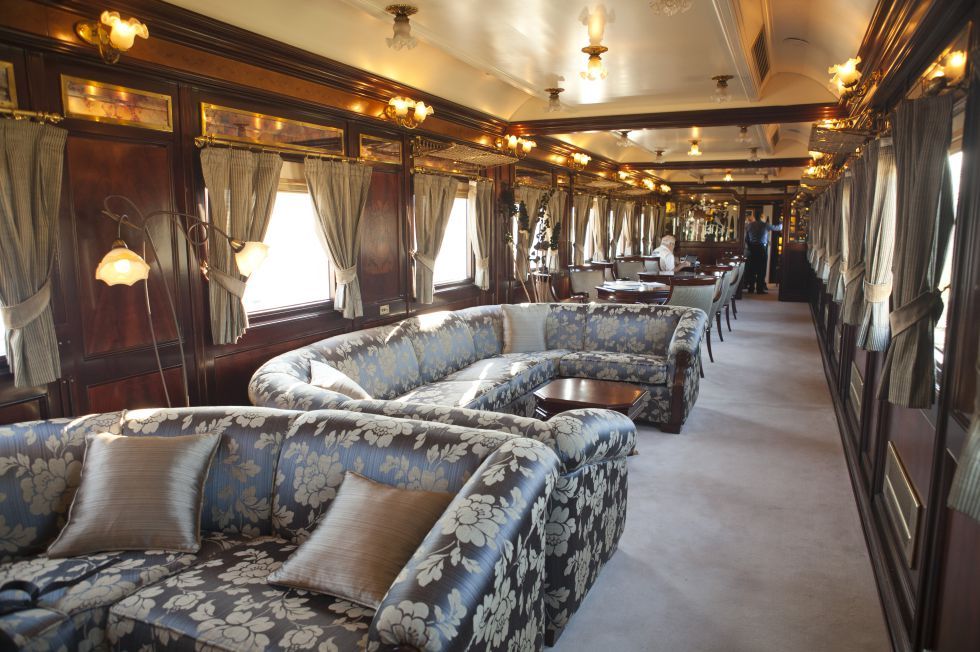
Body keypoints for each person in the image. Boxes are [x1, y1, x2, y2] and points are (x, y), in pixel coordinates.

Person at [743, 214, 783, 293]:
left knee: (751, 269)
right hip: (761, 248)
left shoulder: (749, 225)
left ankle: (751, 288)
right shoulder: (765, 225)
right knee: (761, 269)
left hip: (752, 248)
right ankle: (759, 289)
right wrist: (781, 221)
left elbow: (746, 238)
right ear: (762, 218)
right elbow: (779, 228)